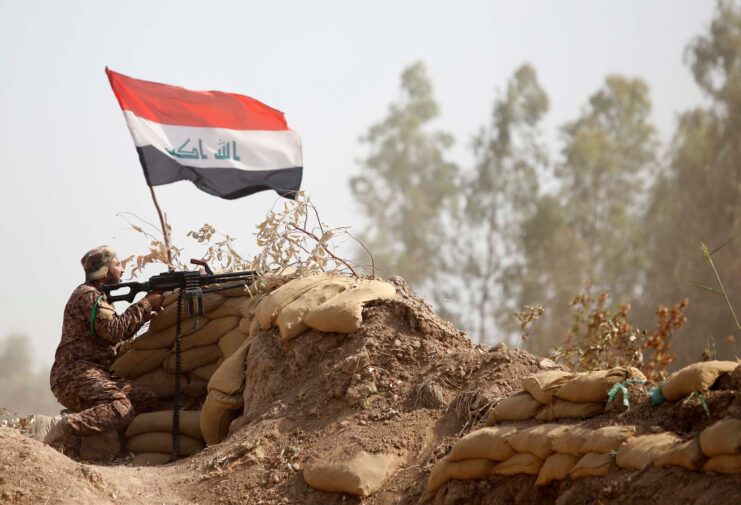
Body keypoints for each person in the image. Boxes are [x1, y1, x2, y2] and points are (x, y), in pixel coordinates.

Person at [44, 245, 164, 447]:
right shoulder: (88, 295)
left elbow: (115, 333)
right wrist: (145, 304)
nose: (123, 269)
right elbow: (114, 330)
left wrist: (143, 316)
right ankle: (65, 427)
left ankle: (102, 438)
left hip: (96, 373)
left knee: (145, 398)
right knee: (120, 406)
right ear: (104, 272)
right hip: (74, 374)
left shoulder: (100, 297)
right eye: (117, 264)